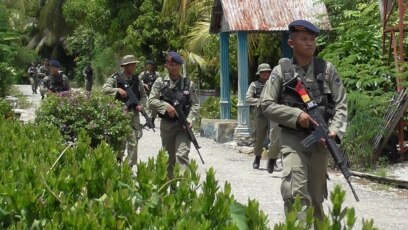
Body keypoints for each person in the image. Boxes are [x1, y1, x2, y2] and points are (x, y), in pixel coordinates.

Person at [260, 20, 348, 219]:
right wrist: (296, 116)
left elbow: (341, 102)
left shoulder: (326, 69)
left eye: (312, 39)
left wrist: (335, 130)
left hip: (321, 143)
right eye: (304, 39)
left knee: (317, 200)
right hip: (293, 141)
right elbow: (266, 104)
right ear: (291, 43)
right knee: (296, 195)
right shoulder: (281, 71)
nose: (310, 43)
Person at [148, 51, 199, 178]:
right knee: (168, 159)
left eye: (176, 65)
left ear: (180, 66)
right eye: (171, 64)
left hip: (183, 126)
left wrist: (190, 118)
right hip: (167, 126)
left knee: (182, 155)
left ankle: (183, 189)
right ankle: (171, 188)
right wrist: (166, 107)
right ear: (166, 66)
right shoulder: (160, 82)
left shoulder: (188, 84)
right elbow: (151, 101)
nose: (174, 67)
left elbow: (195, 104)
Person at [102, 55, 147, 167]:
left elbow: (143, 96)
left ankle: (129, 167)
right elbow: (105, 90)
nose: (134, 66)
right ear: (126, 66)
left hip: (133, 114)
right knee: (119, 141)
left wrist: (141, 105)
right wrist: (117, 90)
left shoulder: (137, 80)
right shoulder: (115, 79)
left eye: (134, 64)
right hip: (119, 113)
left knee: (133, 141)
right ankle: (117, 164)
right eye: (132, 64)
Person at [246, 63, 281, 173]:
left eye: (267, 72)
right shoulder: (254, 85)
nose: (266, 74)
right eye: (263, 72)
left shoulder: (275, 83)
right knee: (259, 137)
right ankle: (257, 158)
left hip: (274, 113)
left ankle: (273, 160)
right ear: (260, 73)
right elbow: (248, 98)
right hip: (261, 114)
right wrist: (261, 102)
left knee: (275, 138)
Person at [138, 60, 160, 125]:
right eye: (148, 65)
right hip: (145, 92)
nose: (149, 66)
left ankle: (152, 119)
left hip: (154, 93)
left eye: (151, 65)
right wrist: (144, 84)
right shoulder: (143, 74)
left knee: (154, 106)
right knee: (146, 106)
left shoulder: (156, 74)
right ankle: (148, 120)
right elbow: (138, 80)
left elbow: (160, 82)